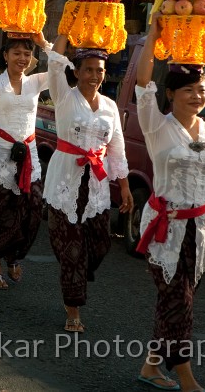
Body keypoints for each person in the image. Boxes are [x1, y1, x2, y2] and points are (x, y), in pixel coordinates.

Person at [135, 15, 205, 392]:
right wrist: (153, 37)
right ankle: (185, 377)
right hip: (164, 228)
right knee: (178, 303)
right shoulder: (156, 124)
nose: (197, 96)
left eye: (201, 90)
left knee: (177, 300)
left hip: (200, 231)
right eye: (188, 90)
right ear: (171, 94)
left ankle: (151, 367)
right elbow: (142, 81)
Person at [44, 34, 133, 333]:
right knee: (71, 249)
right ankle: (73, 310)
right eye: (89, 69)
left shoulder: (110, 106)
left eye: (100, 70)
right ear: (77, 71)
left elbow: (117, 148)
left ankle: (78, 273)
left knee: (100, 244)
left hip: (96, 185)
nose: (95, 76)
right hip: (65, 181)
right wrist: (66, 31)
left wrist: (124, 187)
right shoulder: (64, 96)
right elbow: (54, 64)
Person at [0, 33, 49, 288]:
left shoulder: (36, 82)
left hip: (30, 155)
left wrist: (43, 40)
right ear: (5, 56)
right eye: (16, 53)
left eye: (27, 54)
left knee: (32, 209)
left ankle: (14, 255)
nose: (22, 58)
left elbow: (62, 68)